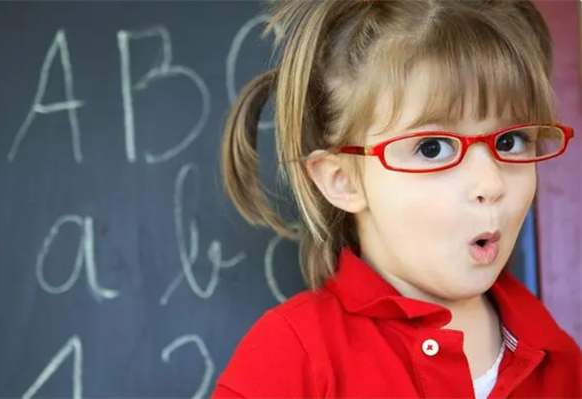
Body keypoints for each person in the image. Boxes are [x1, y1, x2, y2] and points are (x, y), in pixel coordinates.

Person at [213, 0, 581, 397]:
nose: (490, 184)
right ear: (343, 180)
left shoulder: (557, 357)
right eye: (432, 148)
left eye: (511, 141)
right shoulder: (288, 360)